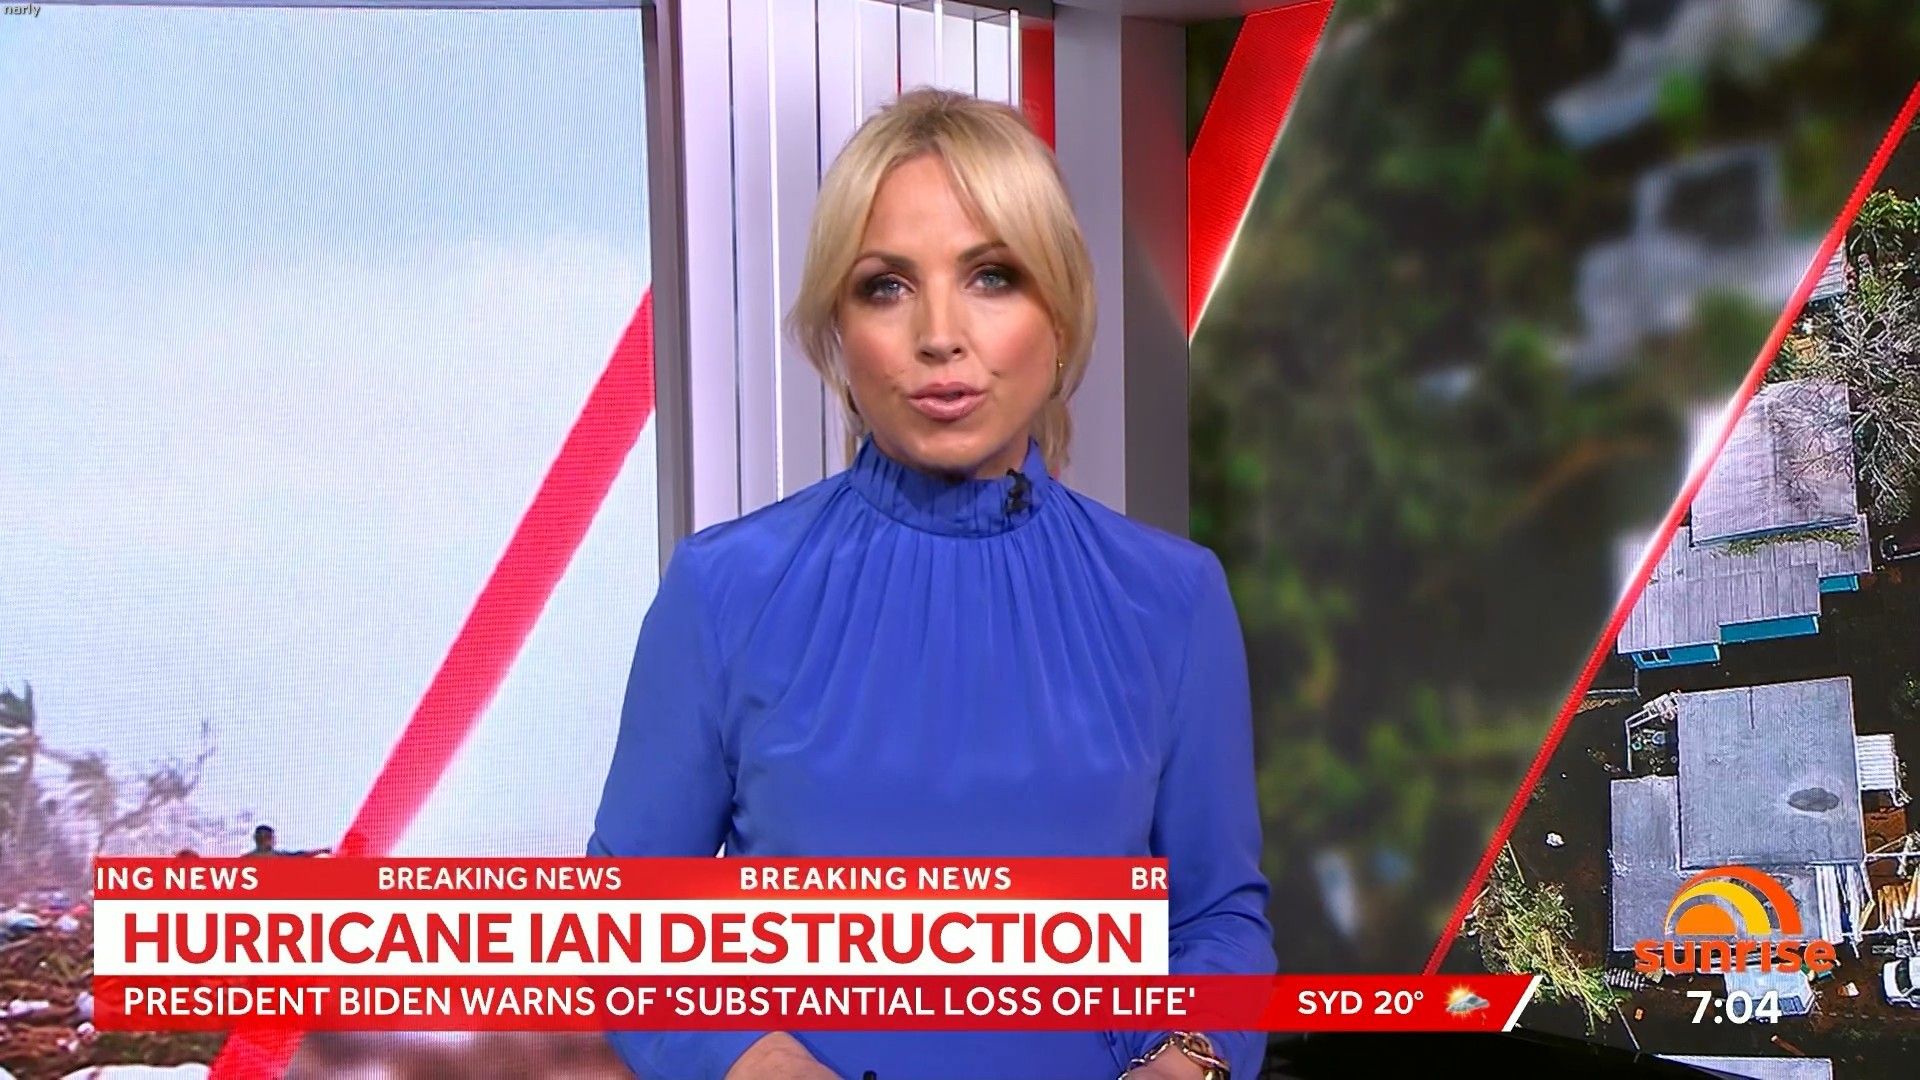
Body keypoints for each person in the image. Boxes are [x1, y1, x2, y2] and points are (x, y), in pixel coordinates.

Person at [589, 87, 1274, 1080]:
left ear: (1059, 311)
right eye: (887, 286)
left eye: (992, 276)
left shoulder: (1173, 599)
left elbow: (1216, 918)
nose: (940, 335)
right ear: (837, 326)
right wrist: (755, 1063)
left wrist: (1187, 1062)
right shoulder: (722, 591)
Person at [241, 824, 330, 858]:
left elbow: (302, 855)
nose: (264, 840)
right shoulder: (245, 859)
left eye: (268, 837)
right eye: (261, 837)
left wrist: (321, 850)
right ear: (255, 838)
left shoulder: (281, 856)